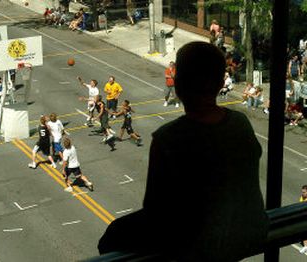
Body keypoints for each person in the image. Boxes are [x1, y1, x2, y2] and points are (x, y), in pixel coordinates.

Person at [98, 42, 268, 261]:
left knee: (111, 238)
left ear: (178, 85)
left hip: (200, 243)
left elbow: (154, 210)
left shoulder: (168, 138)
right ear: (219, 84)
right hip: (250, 230)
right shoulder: (240, 123)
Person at [299, 185, 307, 254]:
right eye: (302, 192)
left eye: (304, 192)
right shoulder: (302, 197)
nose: (302, 193)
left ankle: (305, 246)